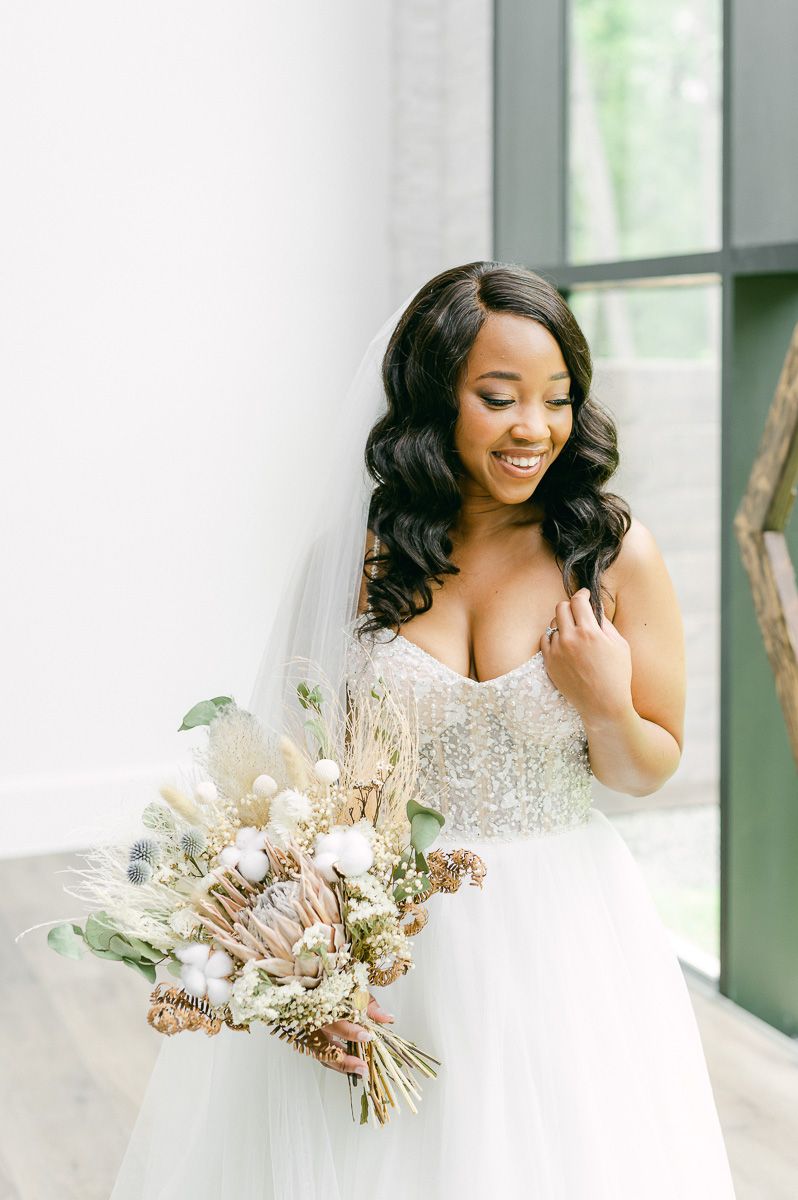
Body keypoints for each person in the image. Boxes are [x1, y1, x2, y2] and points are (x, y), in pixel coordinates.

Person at [109, 262, 736, 1198]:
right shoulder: (357, 558)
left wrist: (606, 701)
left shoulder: (607, 552)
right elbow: (291, 784)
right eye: (499, 397)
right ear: (434, 397)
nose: (536, 428)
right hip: (392, 933)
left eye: (558, 399)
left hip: (564, 932)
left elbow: (649, 770)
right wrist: (307, 981)